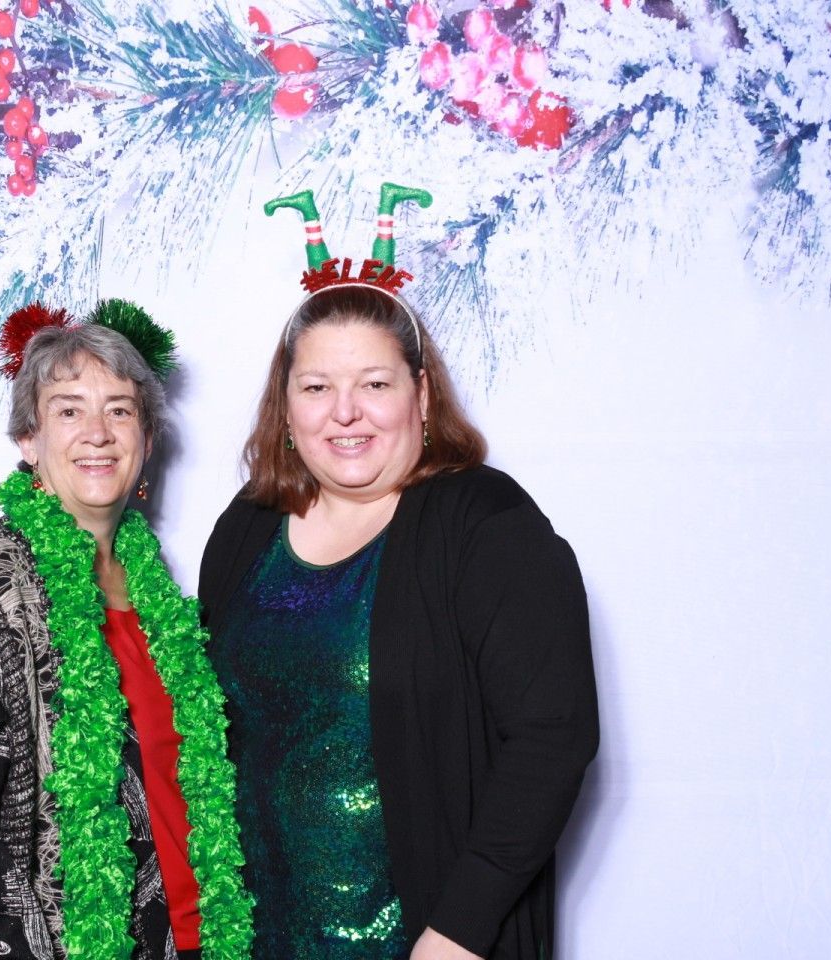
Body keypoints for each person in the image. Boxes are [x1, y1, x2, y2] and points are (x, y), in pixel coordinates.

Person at [199, 189, 599, 960]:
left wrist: (455, 935)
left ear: (421, 395)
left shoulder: (485, 525)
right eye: (317, 387)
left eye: (375, 384)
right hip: (254, 940)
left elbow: (553, 739)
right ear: (286, 407)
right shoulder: (247, 527)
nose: (345, 412)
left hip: (426, 943)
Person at [0, 300, 253, 960]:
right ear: (29, 439)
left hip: (185, 939)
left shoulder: (155, 592)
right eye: (68, 409)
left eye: (119, 408)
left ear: (146, 438)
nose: (98, 431)